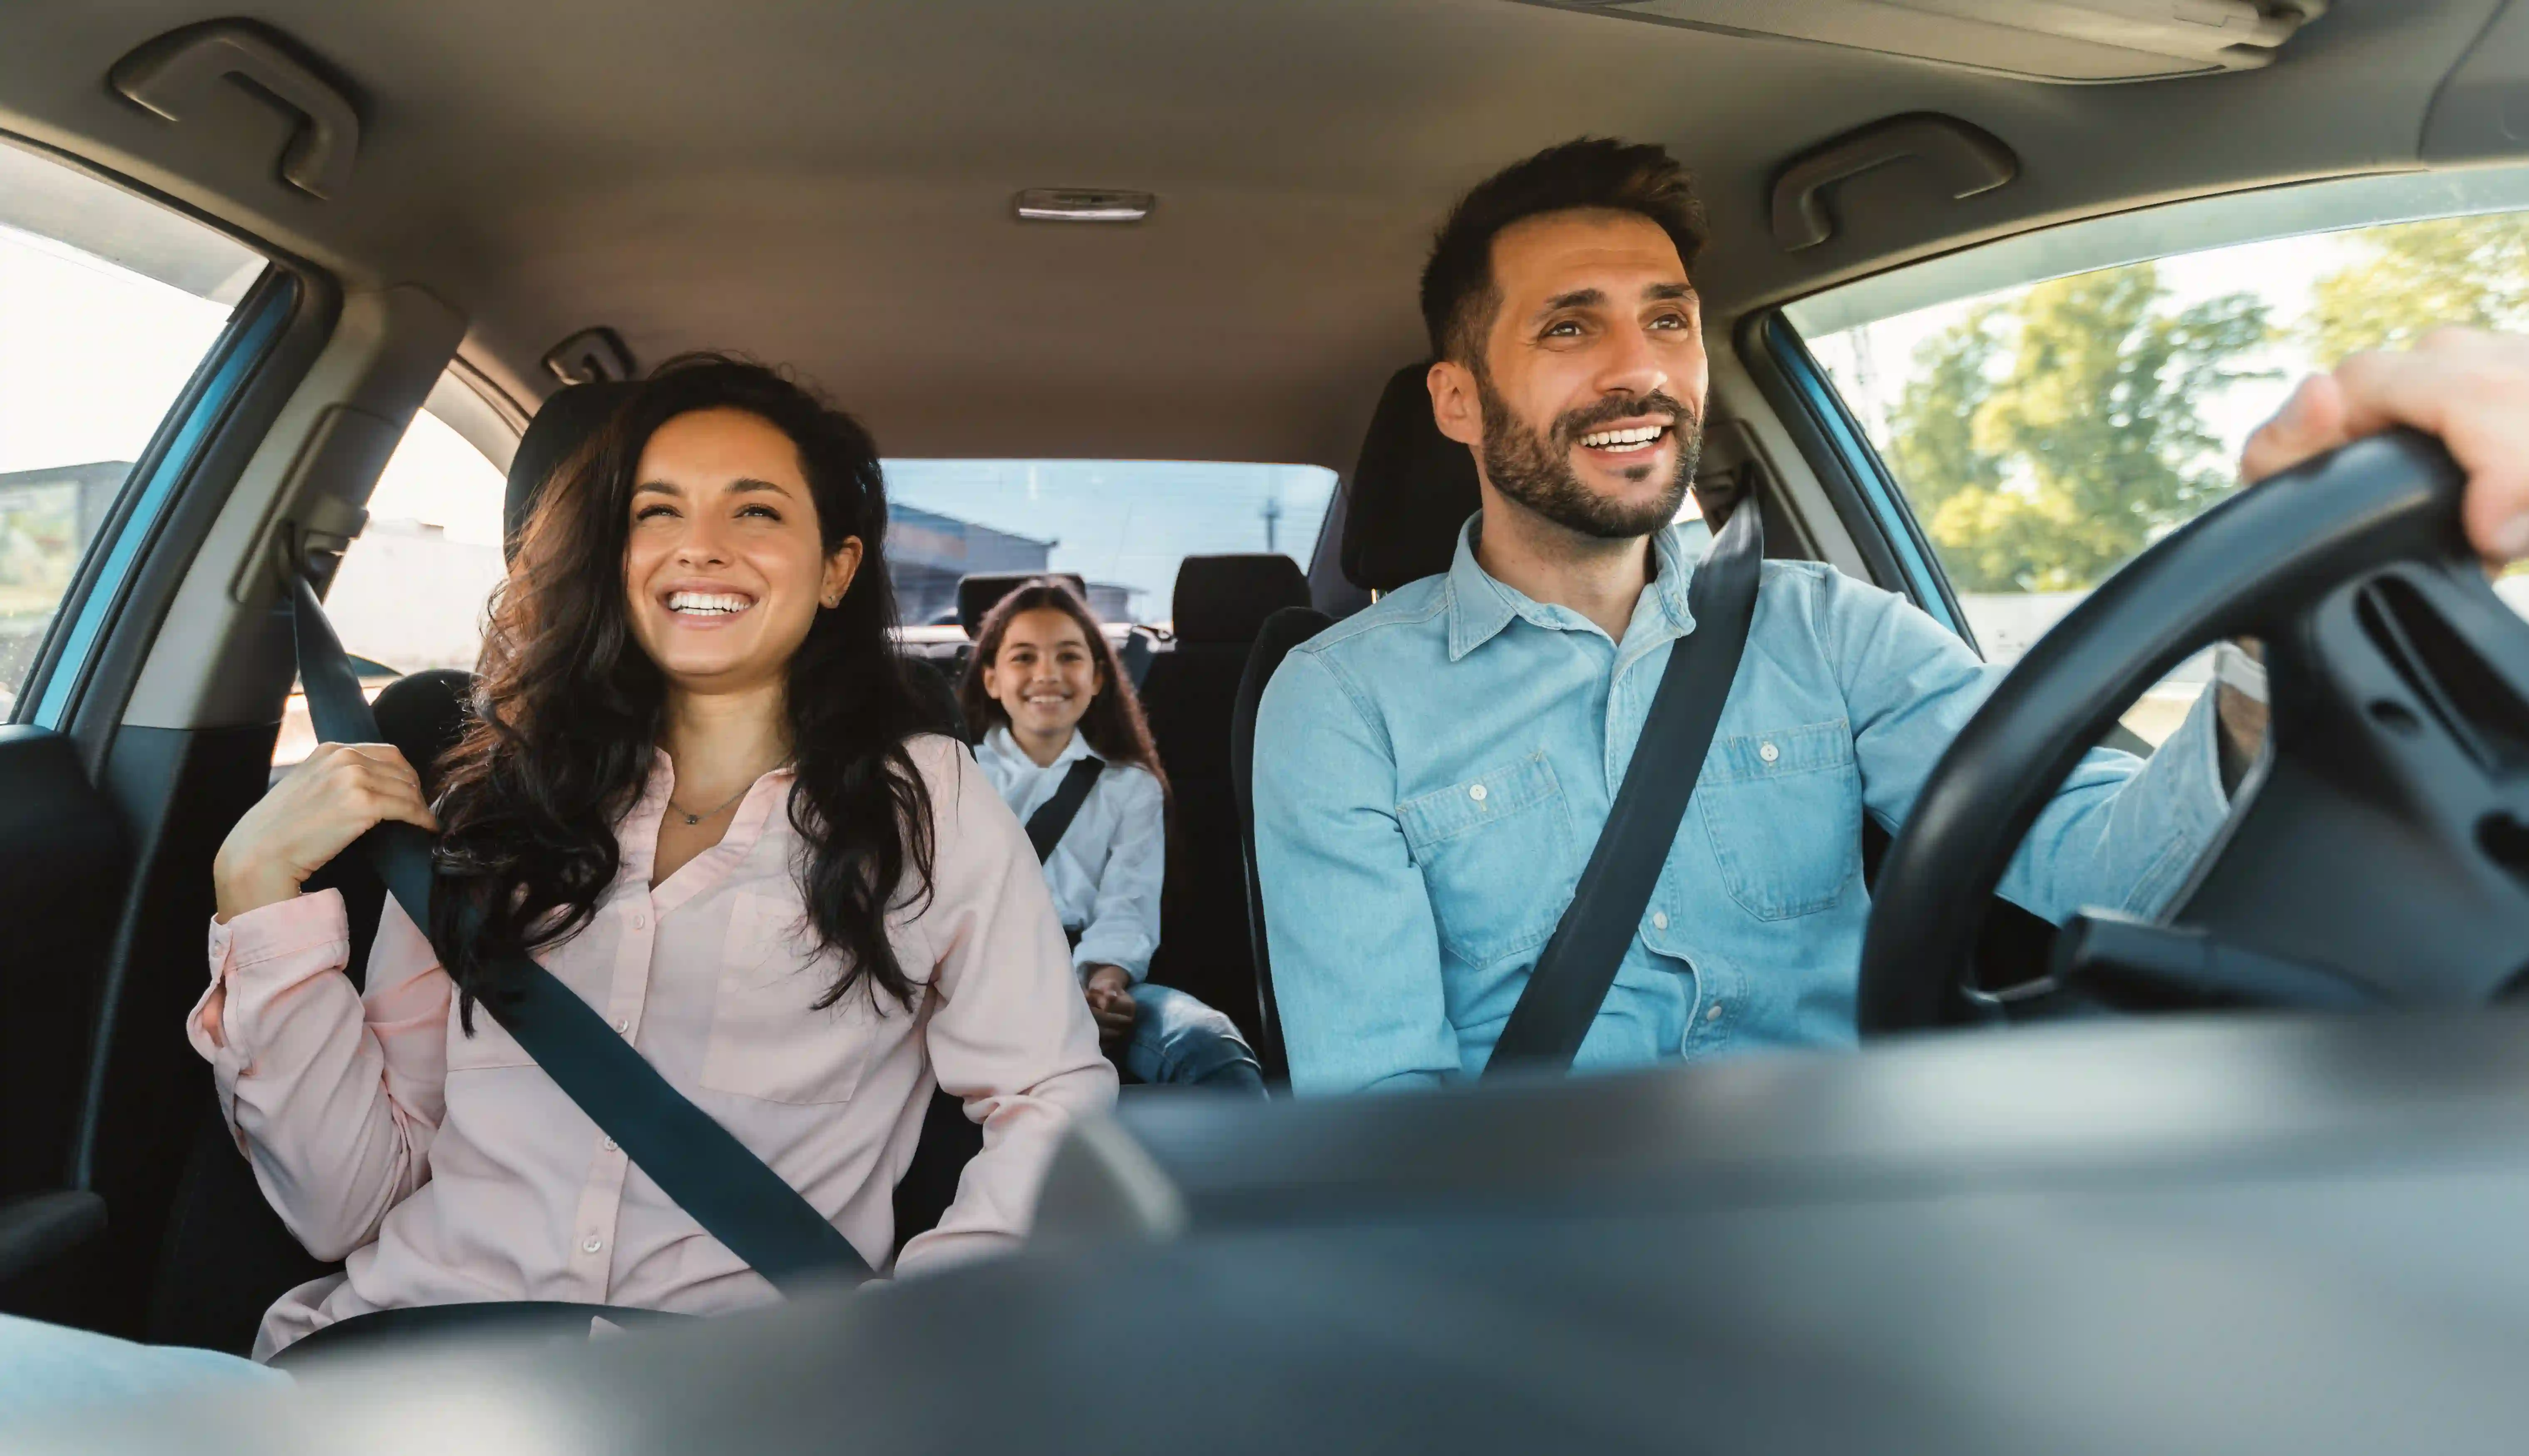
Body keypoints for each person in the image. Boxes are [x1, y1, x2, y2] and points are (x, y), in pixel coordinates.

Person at [1251, 137, 2529, 1096]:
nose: (1638, 368)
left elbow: (2116, 870)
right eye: (1569, 326)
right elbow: (1383, 1114)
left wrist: (2268, 629)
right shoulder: (1343, 701)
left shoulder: (1830, 631)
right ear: (1459, 401)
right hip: (1539, 1257)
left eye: (1668, 319)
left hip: (1861, 1216)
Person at [179, 355, 1113, 1364]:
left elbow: (1050, 1101)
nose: (699, 546)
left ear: (837, 567)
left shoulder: (928, 805)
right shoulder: (488, 805)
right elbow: (343, 1203)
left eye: (755, 511)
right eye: (656, 511)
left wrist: (910, 1347)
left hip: (730, 1391)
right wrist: (256, 896)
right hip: (414, 1356)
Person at [962, 578, 1267, 1095]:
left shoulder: (1130, 786)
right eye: (1023, 657)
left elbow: (1129, 903)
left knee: (1210, 1045)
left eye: (1068, 656)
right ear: (991, 679)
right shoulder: (955, 776)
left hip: (1091, 978)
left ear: (1098, 677)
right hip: (982, 989)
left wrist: (1104, 986)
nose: (1047, 674)